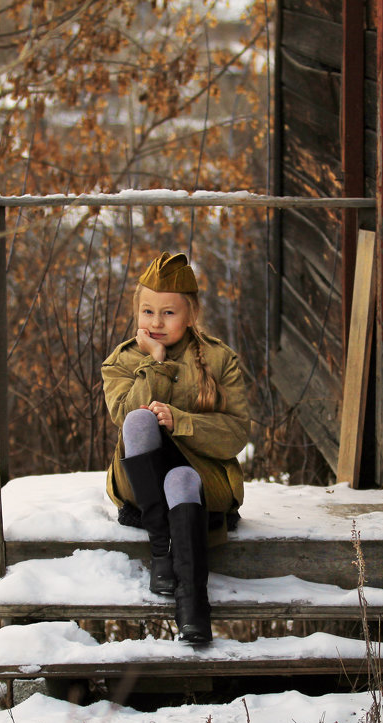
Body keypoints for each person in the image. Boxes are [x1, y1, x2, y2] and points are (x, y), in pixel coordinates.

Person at [102, 251, 250, 643]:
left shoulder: (220, 359)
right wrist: (155, 361)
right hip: (139, 476)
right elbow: (124, 416)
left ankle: (192, 607)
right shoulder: (121, 361)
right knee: (138, 420)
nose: (155, 322)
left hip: (205, 479)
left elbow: (237, 432)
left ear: (191, 313)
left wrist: (182, 422)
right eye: (147, 311)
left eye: (168, 313)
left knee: (182, 476)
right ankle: (161, 550)